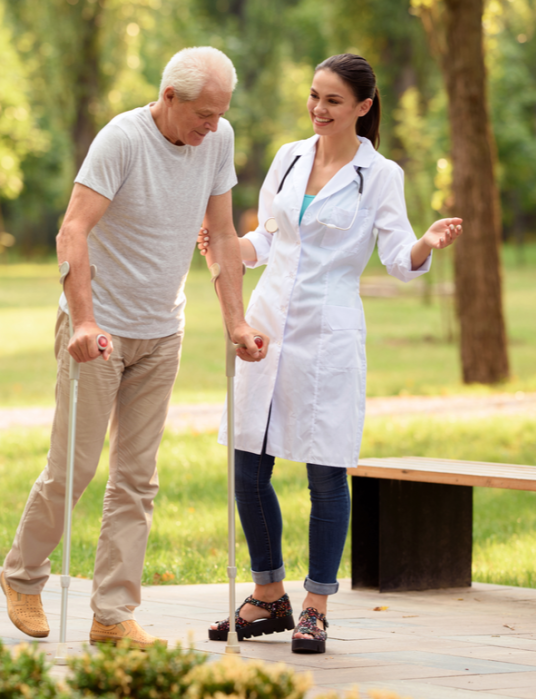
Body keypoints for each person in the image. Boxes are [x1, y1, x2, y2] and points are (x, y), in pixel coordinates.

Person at [0, 46, 268, 649]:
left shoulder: (216, 140)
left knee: (137, 478)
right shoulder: (121, 139)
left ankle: (112, 613)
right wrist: (85, 321)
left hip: (162, 330)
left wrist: (236, 323)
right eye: (203, 113)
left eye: (221, 114)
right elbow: (74, 228)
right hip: (99, 331)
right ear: (169, 97)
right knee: (75, 468)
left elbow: (222, 237)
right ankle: (22, 575)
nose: (213, 126)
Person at [198, 53, 462, 654]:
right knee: (247, 464)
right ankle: (268, 595)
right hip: (266, 324)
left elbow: (399, 258)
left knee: (325, 471)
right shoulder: (290, 156)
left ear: (363, 108)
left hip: (329, 333)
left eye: (333, 101)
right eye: (314, 96)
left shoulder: (380, 175)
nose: (318, 109)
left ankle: (316, 605)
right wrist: (228, 245)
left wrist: (425, 242)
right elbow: (266, 237)